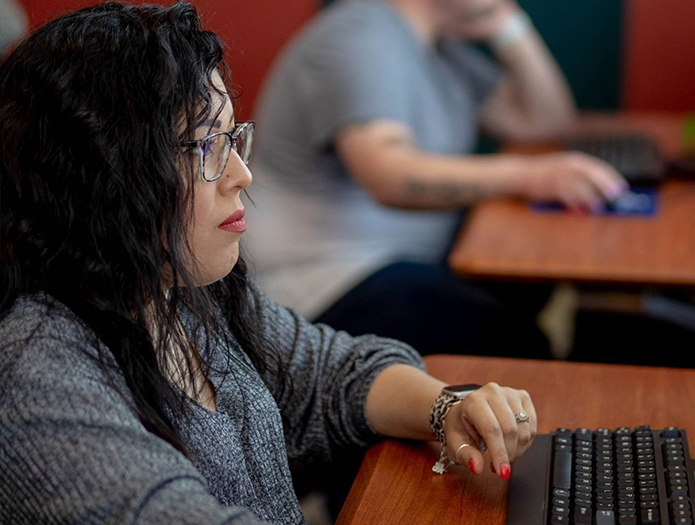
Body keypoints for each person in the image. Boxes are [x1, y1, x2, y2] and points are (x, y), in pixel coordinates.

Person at [0, 3, 537, 523]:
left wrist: (447, 409)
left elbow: (328, 373)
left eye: (232, 138)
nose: (241, 175)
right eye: (204, 147)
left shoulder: (179, 291)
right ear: (103, 173)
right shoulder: (42, 382)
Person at [245, 0, 628, 356]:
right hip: (323, 282)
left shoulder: (440, 51)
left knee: (531, 285)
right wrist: (529, 176)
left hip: (405, 258)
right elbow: (390, 176)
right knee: (520, 345)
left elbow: (547, 121)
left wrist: (508, 25)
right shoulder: (358, 36)